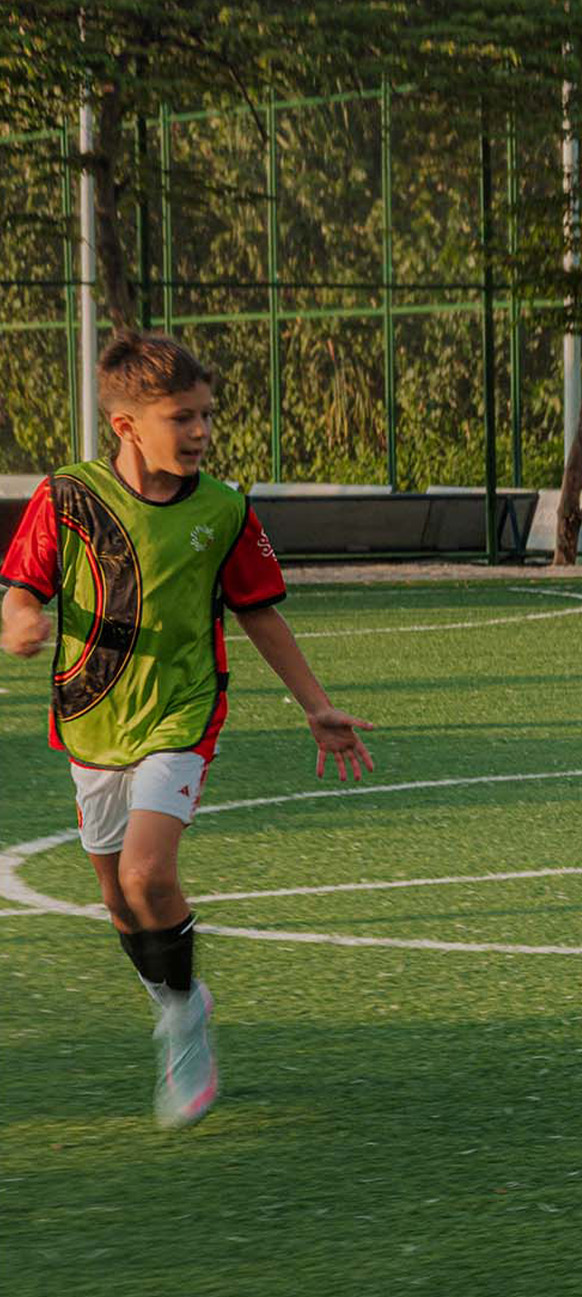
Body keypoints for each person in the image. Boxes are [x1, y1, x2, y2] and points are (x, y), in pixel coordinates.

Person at [1, 331, 376, 1128]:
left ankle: (184, 1025)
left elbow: (258, 612)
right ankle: (175, 999)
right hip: (92, 717)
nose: (203, 431)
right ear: (128, 425)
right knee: (116, 900)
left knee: (145, 877)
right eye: (183, 417)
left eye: (207, 415)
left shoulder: (227, 510)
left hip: (183, 710)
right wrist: (20, 617)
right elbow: (20, 588)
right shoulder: (68, 496)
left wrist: (315, 704)